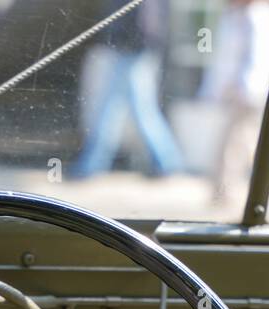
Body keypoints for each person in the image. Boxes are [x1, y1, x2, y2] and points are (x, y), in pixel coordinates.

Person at [70, 0, 185, 179]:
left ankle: (91, 166)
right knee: (126, 111)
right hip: (129, 50)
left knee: (122, 111)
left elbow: (148, 21)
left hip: (132, 51)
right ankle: (167, 164)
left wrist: (127, 43)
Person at [199, 0, 269, 203]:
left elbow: (259, 57)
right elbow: (226, 59)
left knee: (232, 146)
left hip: (248, 93)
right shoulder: (237, 16)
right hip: (239, 92)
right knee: (250, 145)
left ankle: (223, 192)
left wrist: (245, 87)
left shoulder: (258, 16)